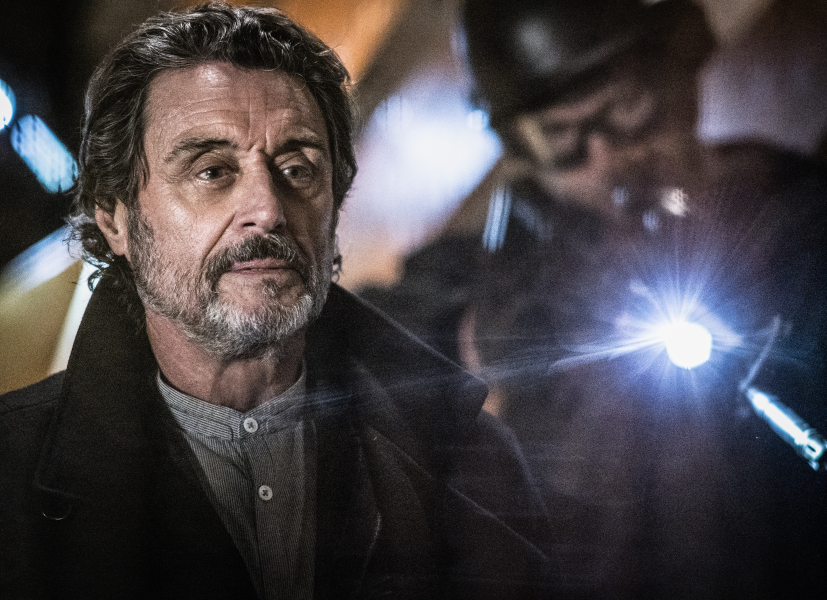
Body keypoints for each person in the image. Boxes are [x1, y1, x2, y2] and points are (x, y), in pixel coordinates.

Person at [0, 4, 553, 599]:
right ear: (116, 219)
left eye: (297, 168)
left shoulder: (472, 463)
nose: (267, 208)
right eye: (212, 171)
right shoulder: (10, 475)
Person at [362, 0, 827, 598]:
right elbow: (350, 365)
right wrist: (476, 338)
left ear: (679, 71)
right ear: (521, 145)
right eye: (561, 136)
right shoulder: (477, 274)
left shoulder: (814, 237)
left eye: (625, 109)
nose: (607, 157)